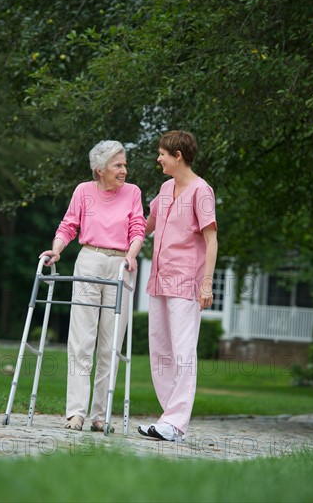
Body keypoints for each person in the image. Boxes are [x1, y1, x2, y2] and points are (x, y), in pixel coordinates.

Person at [40, 140, 146, 432]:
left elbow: (138, 227)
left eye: (124, 164)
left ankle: (100, 414)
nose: (124, 170)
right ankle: (76, 412)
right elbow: (68, 225)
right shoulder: (83, 191)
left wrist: (131, 257)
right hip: (89, 260)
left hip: (120, 264)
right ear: (100, 169)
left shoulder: (133, 192)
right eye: (118, 165)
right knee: (81, 341)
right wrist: (57, 250)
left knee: (110, 344)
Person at [138, 130, 218, 442]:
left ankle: (176, 422)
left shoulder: (202, 191)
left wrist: (207, 285)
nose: (158, 159)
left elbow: (211, 241)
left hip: (186, 281)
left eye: (162, 154)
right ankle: (168, 419)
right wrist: (124, 247)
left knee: (183, 352)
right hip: (159, 278)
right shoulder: (165, 187)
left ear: (177, 156)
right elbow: (149, 223)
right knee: (160, 352)